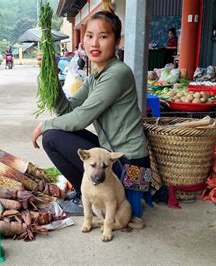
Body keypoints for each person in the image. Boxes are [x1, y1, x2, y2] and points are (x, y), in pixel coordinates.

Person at [30, 6, 151, 220]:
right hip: (109, 153)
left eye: (103, 36)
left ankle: (84, 194)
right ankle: (85, 192)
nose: (94, 43)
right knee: (54, 135)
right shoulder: (96, 75)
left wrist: (44, 125)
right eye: (90, 36)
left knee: (51, 136)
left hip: (131, 165)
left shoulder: (117, 74)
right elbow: (69, 109)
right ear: (83, 40)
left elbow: (80, 118)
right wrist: (51, 76)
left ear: (117, 41)